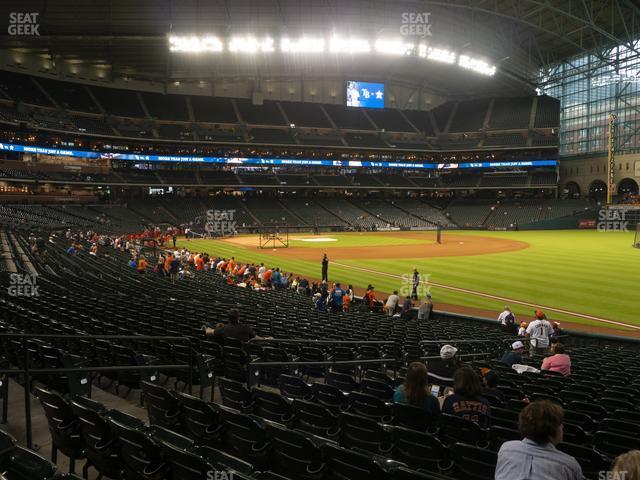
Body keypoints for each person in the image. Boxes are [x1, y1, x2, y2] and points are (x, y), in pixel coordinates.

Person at [495, 400, 584, 480]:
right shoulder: (569, 465)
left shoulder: (506, 448)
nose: (562, 426)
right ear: (552, 430)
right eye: (560, 423)